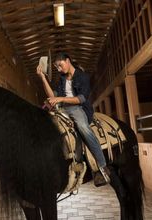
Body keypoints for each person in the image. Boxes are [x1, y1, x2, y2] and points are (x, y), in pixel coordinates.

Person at [36, 52, 110, 186]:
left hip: (79, 108)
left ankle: (103, 167)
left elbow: (81, 99)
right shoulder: (61, 79)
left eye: (60, 65)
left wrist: (60, 99)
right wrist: (42, 78)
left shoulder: (83, 77)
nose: (59, 69)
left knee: (83, 127)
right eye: (57, 67)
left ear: (67, 61)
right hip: (63, 109)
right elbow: (52, 95)